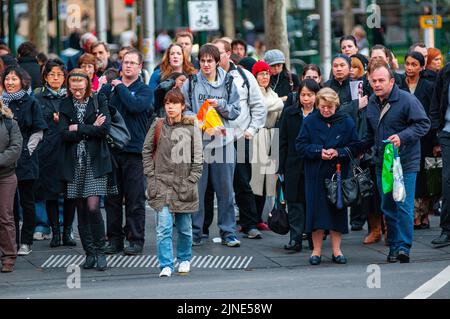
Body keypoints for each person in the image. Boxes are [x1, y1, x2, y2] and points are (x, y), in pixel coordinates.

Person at [364, 60, 430, 263]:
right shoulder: (372, 103)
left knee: (403, 205)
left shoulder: (406, 100)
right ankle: (393, 245)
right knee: (388, 206)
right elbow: (368, 134)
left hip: (406, 163)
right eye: (374, 81)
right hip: (381, 164)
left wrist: (402, 137)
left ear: (392, 81)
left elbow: (423, 124)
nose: (377, 84)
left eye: (381, 80)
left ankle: (403, 248)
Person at [181, 44, 241, 247]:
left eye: (210, 61)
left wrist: (221, 105)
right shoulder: (190, 83)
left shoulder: (229, 82)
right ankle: (196, 233)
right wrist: (198, 119)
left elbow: (235, 111)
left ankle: (228, 232)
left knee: (226, 190)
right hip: (197, 144)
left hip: (223, 143)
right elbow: (183, 110)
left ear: (217, 61)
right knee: (197, 190)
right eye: (203, 61)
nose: (206, 64)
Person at [296, 87, 362, 265]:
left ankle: (336, 250)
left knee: (337, 212)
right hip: (315, 173)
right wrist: (319, 151)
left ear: (336, 106)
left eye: (330, 107)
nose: (326, 110)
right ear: (318, 105)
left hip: (338, 172)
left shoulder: (346, 121)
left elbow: (356, 145)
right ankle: (316, 251)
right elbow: (300, 146)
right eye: (323, 106)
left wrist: (338, 152)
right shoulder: (309, 121)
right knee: (315, 214)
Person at [142, 88, 203, 277]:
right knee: (163, 228)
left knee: (185, 229)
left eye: (175, 103)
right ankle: (166, 264)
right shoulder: (158, 124)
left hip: (184, 184)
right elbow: (146, 150)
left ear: (182, 106)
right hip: (161, 184)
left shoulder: (192, 127)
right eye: (168, 103)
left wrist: (191, 180)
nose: (170, 107)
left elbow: (198, 157)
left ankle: (184, 259)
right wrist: (151, 177)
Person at [59, 69, 114, 271]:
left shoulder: (99, 100)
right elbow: (63, 134)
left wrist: (78, 128)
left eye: (80, 85)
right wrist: (89, 127)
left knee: (92, 206)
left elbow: (104, 129)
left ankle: (101, 252)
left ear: (88, 85)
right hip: (73, 162)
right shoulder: (65, 104)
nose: (77, 89)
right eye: (73, 85)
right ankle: (89, 253)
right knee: (81, 209)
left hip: (95, 161)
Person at [100, 49, 153, 255]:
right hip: (112, 150)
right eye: (125, 62)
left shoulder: (144, 90)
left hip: (134, 152)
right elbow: (99, 108)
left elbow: (135, 107)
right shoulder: (109, 89)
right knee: (112, 199)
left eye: (132, 63)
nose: (128, 65)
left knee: (135, 199)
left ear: (140, 67)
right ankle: (114, 239)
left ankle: (135, 239)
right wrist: (108, 88)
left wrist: (120, 86)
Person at [212, 39, 267, 238]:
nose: (215, 58)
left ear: (228, 54)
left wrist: (252, 129)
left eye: (218, 53)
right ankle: (203, 228)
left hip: (241, 136)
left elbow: (258, 105)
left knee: (242, 181)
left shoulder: (244, 76)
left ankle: (249, 223)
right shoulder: (206, 78)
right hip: (215, 138)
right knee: (215, 185)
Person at [2, 66, 47, 256]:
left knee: (27, 201)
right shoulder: (2, 102)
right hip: (5, 161)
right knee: (8, 204)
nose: (10, 83)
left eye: (14, 79)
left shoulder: (31, 102)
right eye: (7, 79)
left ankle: (26, 241)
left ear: (22, 81)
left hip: (26, 159)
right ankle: (10, 242)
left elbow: (39, 130)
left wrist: (26, 151)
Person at [34, 59, 77, 247]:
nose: (56, 78)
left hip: (69, 150)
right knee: (51, 193)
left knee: (70, 193)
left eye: (60, 74)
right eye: (52, 74)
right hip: (48, 151)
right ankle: (55, 233)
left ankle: (68, 231)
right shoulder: (38, 98)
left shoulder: (71, 98)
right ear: (45, 77)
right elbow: (34, 124)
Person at [279, 79, 320, 252]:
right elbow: (282, 141)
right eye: (303, 95)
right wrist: (280, 167)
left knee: (312, 202)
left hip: (314, 163)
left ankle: (313, 239)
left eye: (310, 95)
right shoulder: (290, 113)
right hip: (293, 164)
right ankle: (295, 239)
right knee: (294, 203)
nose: (306, 99)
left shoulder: (320, 114)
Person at [403, 51, 435, 230]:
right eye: (407, 63)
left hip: (426, 137)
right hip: (406, 137)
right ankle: (415, 215)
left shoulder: (428, 86)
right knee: (411, 174)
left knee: (425, 175)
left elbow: (433, 111)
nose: (409, 67)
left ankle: (424, 215)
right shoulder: (400, 84)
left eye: (414, 64)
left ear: (422, 67)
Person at [249, 60, 282, 233]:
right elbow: (263, 106)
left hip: (272, 135)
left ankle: (263, 217)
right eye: (261, 74)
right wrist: (283, 101)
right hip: (258, 134)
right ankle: (252, 219)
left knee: (269, 180)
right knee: (256, 179)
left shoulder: (272, 93)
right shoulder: (254, 93)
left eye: (267, 73)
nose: (264, 77)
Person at [0, 100, 23, 272]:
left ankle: (9, 256)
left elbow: (15, 149)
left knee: (5, 217)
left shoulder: (9, 123)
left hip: (5, 176)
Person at [429, 61, 450, 248]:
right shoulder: (445, 72)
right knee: (447, 180)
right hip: (447, 133)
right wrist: (437, 132)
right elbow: (435, 103)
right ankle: (447, 229)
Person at [149, 43, 196, 109]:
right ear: (168, 57)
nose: (175, 56)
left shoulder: (191, 75)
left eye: (178, 54)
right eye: (172, 54)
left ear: (183, 57)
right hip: (163, 114)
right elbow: (151, 101)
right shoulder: (157, 74)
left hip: (187, 114)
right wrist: (172, 84)